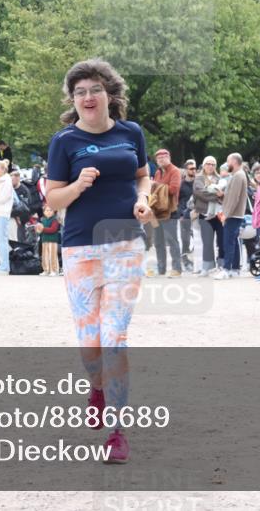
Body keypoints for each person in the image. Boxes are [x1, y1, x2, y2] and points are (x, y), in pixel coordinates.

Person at [45, 59, 153, 465]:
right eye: (79, 92)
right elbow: (53, 199)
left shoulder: (131, 133)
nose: (88, 97)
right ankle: (97, 388)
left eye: (94, 89)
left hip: (126, 243)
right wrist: (77, 185)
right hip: (80, 248)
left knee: (114, 336)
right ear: (73, 100)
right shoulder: (64, 142)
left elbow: (143, 175)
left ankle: (118, 430)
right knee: (90, 343)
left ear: (110, 94)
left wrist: (143, 199)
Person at [148, 148, 182, 277]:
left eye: (163, 158)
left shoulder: (175, 171)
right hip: (157, 212)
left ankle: (177, 269)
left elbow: (173, 189)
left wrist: (155, 185)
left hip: (170, 211)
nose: (161, 160)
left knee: (172, 240)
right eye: (158, 158)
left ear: (169, 158)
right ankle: (161, 268)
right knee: (158, 242)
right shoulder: (158, 172)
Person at [213, 153, 248, 280]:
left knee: (228, 242)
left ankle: (227, 269)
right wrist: (222, 195)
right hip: (235, 214)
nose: (227, 164)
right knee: (233, 241)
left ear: (234, 161)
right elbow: (232, 196)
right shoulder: (238, 175)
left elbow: (234, 198)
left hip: (233, 214)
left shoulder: (238, 176)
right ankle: (234, 269)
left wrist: (225, 215)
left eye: (228, 162)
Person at [193, 156, 223, 274]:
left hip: (219, 214)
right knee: (207, 242)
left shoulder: (220, 178)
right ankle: (207, 266)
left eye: (213, 164)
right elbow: (201, 193)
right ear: (204, 165)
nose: (210, 166)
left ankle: (222, 265)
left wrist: (220, 194)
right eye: (208, 164)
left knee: (222, 241)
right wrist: (217, 196)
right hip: (204, 214)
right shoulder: (199, 178)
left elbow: (225, 192)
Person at [177, 160, 196, 272]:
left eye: (194, 168)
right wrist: (179, 214)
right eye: (191, 169)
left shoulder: (198, 183)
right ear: (185, 170)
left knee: (198, 239)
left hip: (197, 214)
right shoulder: (181, 184)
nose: (194, 170)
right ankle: (185, 259)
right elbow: (177, 200)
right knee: (186, 239)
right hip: (184, 215)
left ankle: (197, 260)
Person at [36, 204, 62, 276]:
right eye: (47, 210)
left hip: (53, 241)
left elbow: (53, 230)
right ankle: (46, 270)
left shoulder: (55, 220)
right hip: (44, 240)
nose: (48, 212)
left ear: (54, 211)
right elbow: (39, 230)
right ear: (44, 212)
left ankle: (54, 270)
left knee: (52, 255)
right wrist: (38, 229)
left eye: (50, 210)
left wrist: (43, 229)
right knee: (45, 255)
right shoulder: (43, 220)